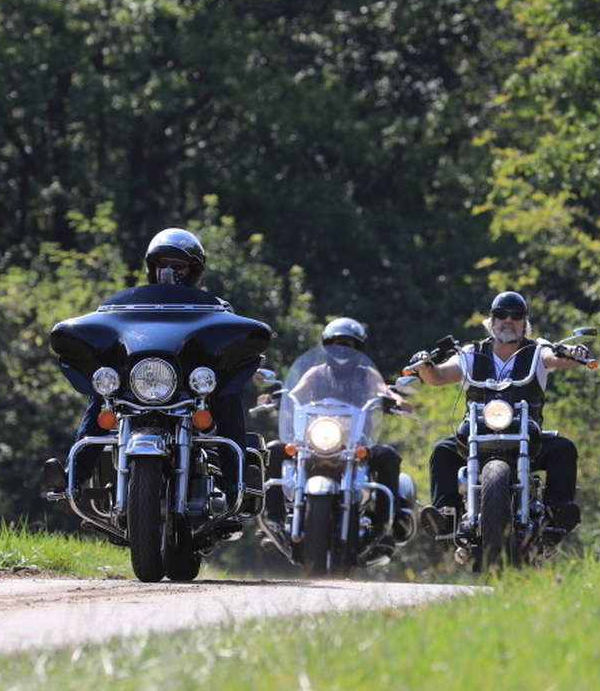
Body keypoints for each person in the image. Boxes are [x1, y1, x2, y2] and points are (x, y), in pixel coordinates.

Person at [46, 227, 246, 493]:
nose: (169, 272)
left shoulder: (215, 308)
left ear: (194, 270)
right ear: (151, 268)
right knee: (101, 397)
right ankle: (75, 476)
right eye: (162, 265)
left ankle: (235, 480)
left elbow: (227, 343)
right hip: (140, 383)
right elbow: (113, 332)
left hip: (187, 388)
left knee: (227, 395)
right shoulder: (130, 306)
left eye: (179, 266)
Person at [404, 290, 590, 536]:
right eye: (501, 315)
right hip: (476, 434)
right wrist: (425, 364)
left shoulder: (537, 350)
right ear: (491, 321)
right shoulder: (471, 353)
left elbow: (554, 357)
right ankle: (445, 514)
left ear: (525, 323)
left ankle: (557, 512)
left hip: (527, 436)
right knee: (442, 451)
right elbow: (438, 376)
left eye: (516, 316)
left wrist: (573, 354)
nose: (508, 321)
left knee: (563, 449)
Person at [262, 317, 406, 538]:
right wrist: (276, 399)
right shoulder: (317, 373)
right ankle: (274, 519)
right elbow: (295, 394)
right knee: (273, 449)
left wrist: (394, 399)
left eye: (347, 344)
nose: (341, 350)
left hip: (355, 442)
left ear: (358, 348)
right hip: (315, 439)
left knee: (388, 456)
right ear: (327, 346)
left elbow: (382, 389)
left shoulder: (366, 374)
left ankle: (384, 525)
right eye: (336, 343)